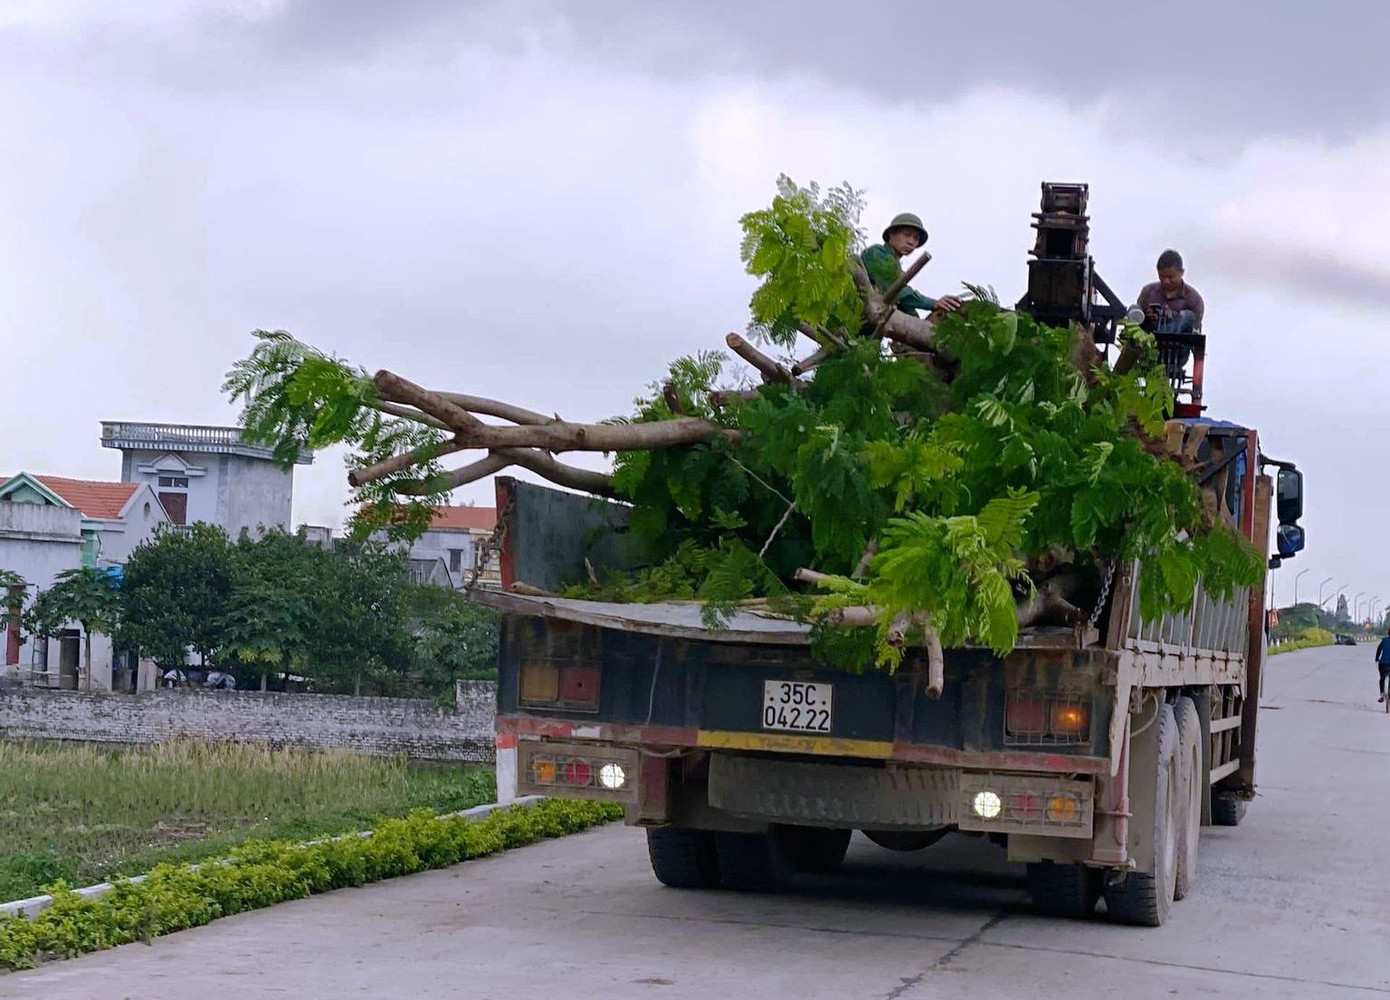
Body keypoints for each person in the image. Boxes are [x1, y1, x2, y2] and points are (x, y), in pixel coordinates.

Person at [860, 213, 962, 318]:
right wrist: (933, 303)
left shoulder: (897, 270)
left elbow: (906, 306)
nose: (911, 242)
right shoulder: (876, 253)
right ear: (891, 234)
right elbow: (899, 292)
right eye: (907, 235)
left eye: (916, 238)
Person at [1136, 249, 1205, 333]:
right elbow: (1135, 322)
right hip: (1147, 341)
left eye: (1170, 277)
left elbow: (1195, 331)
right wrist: (1146, 317)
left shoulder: (1193, 299)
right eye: (1162, 277)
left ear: (1182, 272)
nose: (1166, 281)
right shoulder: (1148, 292)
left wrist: (1174, 317)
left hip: (1180, 343)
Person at [1373, 627, 1390, 703]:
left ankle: (1381, 695)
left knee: (1382, 678)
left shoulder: (1384, 640)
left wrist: (1377, 659)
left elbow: (1379, 649)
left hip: (1383, 663)